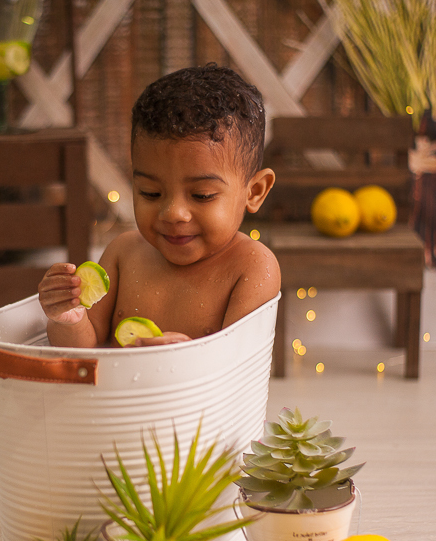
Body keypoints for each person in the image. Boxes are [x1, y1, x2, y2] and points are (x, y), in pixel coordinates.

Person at [38, 64, 280, 347]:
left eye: (201, 195)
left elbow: (239, 366)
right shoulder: (122, 255)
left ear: (255, 192)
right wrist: (66, 316)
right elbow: (80, 353)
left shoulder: (251, 266)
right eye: (151, 193)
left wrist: (179, 358)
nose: (173, 213)